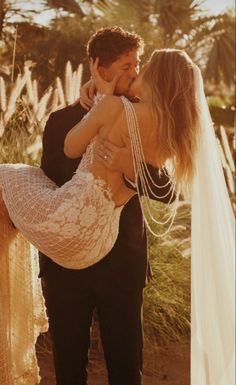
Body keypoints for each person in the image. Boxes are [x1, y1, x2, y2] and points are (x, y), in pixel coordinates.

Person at [0, 45, 234, 385]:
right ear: (99, 67)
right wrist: (96, 110)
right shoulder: (62, 118)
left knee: (126, 367)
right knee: (69, 367)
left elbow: (170, 191)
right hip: (67, 267)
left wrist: (130, 167)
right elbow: (52, 172)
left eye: (140, 64)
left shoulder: (144, 116)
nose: (135, 72)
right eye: (127, 65)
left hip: (121, 263)